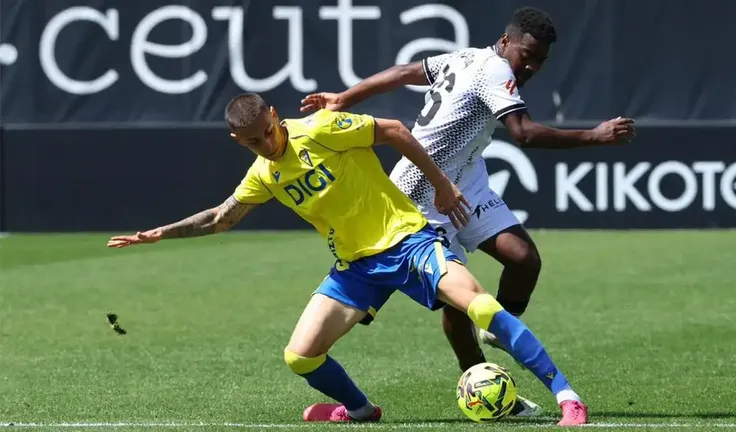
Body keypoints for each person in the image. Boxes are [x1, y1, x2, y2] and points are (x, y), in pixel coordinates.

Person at [107, 93, 588, 426]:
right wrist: (158, 235)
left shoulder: (320, 129)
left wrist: (440, 184)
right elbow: (221, 218)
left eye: (268, 132)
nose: (266, 144)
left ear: (275, 116)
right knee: (299, 356)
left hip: (408, 241)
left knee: (480, 306)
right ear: (239, 141)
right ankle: (360, 412)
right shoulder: (264, 175)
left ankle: (566, 397)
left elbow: (395, 130)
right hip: (356, 268)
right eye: (253, 142)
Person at [300, 5, 634, 416]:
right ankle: (485, 388)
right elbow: (523, 134)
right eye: (525, 55)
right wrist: (594, 137)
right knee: (458, 305)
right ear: (506, 41)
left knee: (523, 259)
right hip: (421, 194)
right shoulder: (494, 70)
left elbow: (404, 71)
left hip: (465, 181)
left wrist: (345, 96)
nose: (530, 66)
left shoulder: (465, 57)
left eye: (540, 61)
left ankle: (498, 327)